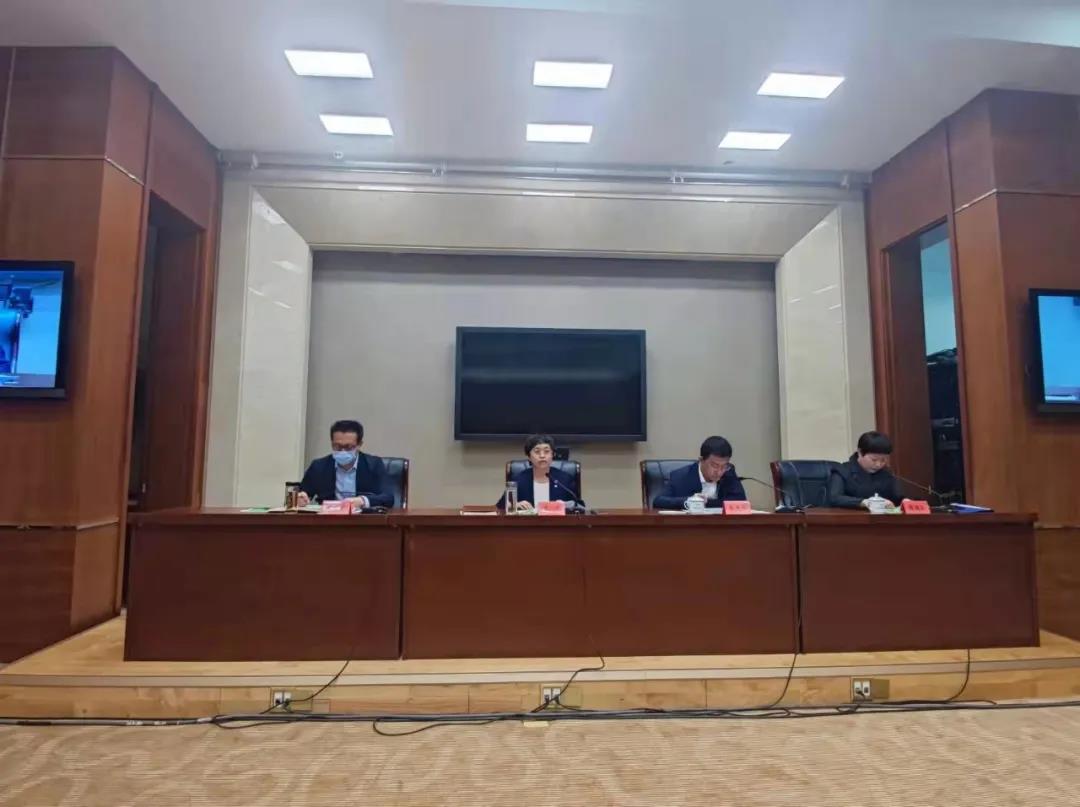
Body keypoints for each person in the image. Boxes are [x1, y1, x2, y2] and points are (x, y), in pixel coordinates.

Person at [297, 419, 394, 508]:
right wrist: (301, 498)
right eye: (337, 446)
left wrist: (362, 501)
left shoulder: (374, 465)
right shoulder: (319, 466)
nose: (343, 451)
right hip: (328, 518)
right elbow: (303, 493)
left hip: (362, 518)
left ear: (359, 445)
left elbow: (389, 497)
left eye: (348, 447)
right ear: (332, 443)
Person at [651, 436, 748, 510]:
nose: (719, 472)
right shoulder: (681, 476)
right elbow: (658, 501)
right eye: (715, 465)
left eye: (724, 466)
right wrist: (688, 501)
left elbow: (741, 503)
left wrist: (705, 503)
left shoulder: (728, 473)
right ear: (701, 460)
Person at [497, 434, 581, 511]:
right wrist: (515, 505)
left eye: (546, 451)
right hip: (528, 522)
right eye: (537, 452)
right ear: (529, 456)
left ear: (552, 455)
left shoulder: (564, 479)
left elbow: (580, 506)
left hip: (557, 522)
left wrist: (565, 505)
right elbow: (501, 506)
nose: (542, 456)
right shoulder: (519, 480)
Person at [827, 430, 902, 509]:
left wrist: (904, 501)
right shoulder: (842, 470)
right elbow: (835, 498)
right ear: (860, 452)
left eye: (883, 460)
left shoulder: (886, 473)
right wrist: (863, 502)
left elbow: (897, 498)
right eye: (874, 460)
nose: (878, 464)